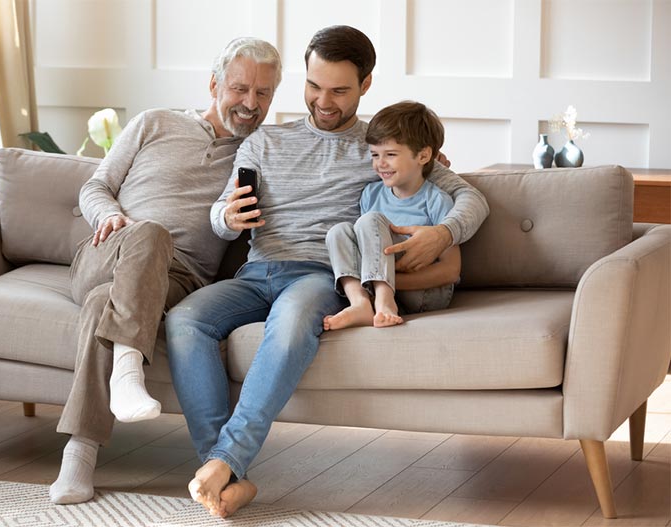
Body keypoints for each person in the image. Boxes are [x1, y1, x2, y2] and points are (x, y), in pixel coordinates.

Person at [164, 25, 490, 518]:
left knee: (291, 324)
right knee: (184, 320)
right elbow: (220, 214)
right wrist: (225, 218)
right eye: (314, 86)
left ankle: (224, 460)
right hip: (258, 271)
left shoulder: (383, 146)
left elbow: (471, 197)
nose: (323, 101)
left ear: (366, 85)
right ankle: (229, 472)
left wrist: (443, 234)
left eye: (339, 90)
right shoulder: (264, 142)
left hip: (323, 275)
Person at [48, 37, 282, 505]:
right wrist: (109, 217)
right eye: (240, 89)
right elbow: (96, 186)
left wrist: (426, 165)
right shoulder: (154, 122)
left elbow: (341, 156)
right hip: (109, 250)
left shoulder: (264, 151)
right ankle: (127, 371)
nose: (250, 104)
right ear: (214, 83)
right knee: (149, 234)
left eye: (263, 94)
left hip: (178, 280)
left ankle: (79, 456)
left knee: (102, 305)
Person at [324, 100, 461, 330]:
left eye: (390, 154)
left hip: (424, 294)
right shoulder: (371, 194)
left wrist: (389, 282)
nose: (380, 164)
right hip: (380, 290)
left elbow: (451, 271)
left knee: (370, 220)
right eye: (375, 154)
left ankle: (383, 299)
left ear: (423, 156)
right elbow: (366, 250)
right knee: (338, 232)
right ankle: (360, 303)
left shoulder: (437, 200)